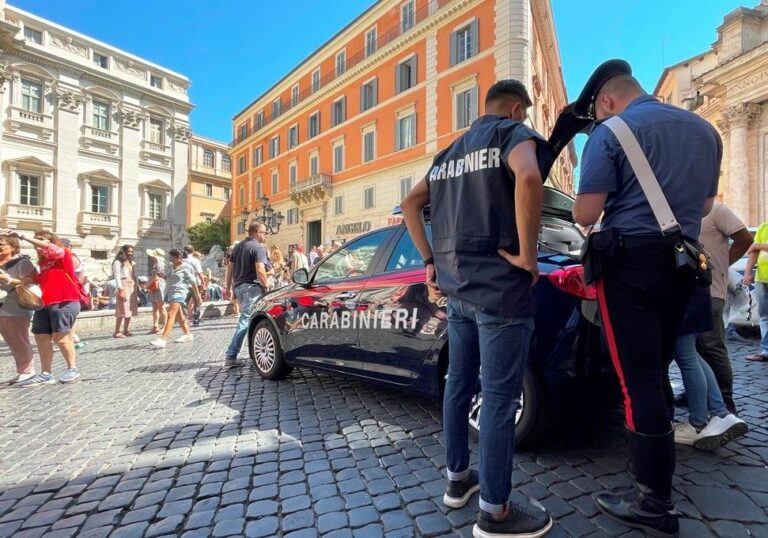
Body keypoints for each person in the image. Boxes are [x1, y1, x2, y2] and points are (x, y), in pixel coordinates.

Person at [571, 59, 722, 536]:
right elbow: (704, 207)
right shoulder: (706, 131)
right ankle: (658, 478)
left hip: (630, 265)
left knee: (639, 384)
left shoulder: (611, 132)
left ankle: (654, 503)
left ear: (606, 101)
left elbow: (585, 212)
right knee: (657, 370)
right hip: (682, 265)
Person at [402, 79, 553, 538]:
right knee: (500, 398)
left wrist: (429, 260)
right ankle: (495, 513)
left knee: (458, 385)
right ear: (515, 109)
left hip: (458, 292)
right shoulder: (511, 134)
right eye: (525, 113)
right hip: (500, 292)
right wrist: (528, 254)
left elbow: (410, 203)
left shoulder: (449, 153)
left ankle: (457, 481)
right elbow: (529, 177)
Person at [686, 203, 751, 412]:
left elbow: (745, 239)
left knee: (711, 346)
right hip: (687, 291)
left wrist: (722, 264)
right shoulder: (680, 207)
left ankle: (724, 402)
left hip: (711, 290)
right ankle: (697, 393)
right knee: (691, 350)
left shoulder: (716, 210)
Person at [672, 288, 747, 448]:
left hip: (682, 296)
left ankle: (698, 424)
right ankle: (720, 413)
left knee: (687, 357)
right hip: (698, 294)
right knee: (691, 355)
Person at [11, 231, 83, 386]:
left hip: (64, 301)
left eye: (41, 239)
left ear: (52, 242)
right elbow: (34, 281)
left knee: (61, 338)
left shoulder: (63, 253)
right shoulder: (42, 264)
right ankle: (46, 373)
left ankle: (72, 368)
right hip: (44, 304)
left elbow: (51, 248)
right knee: (41, 337)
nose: (37, 242)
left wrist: (24, 237)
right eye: (36, 239)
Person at [223, 221, 269, 368]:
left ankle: (255, 351)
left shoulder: (237, 247)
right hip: (251, 288)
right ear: (257, 232)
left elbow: (230, 269)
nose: (266, 235)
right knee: (246, 320)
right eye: (264, 233)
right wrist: (266, 287)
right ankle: (231, 355)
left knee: (250, 320)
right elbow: (260, 270)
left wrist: (228, 288)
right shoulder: (258, 247)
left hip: (239, 287)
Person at [0, 233, 38, 384]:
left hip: (16, 306)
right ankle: (22, 370)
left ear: (13, 247)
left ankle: (28, 371)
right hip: (2, 306)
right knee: (11, 340)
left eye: (2, 244)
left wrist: (8, 279)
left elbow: (30, 281)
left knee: (19, 339)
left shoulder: (22, 263)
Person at [150, 249, 196, 348]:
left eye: (173, 258)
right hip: (170, 292)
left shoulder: (187, 267)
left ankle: (163, 339)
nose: (171, 260)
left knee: (171, 314)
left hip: (180, 292)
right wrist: (163, 276)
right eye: (170, 258)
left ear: (179, 257)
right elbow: (168, 277)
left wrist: (197, 295)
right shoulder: (171, 266)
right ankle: (188, 334)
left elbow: (193, 281)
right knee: (179, 316)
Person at [744, 220, 768, 361]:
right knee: (764, 317)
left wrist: (757, 245)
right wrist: (747, 272)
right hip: (762, 279)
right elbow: (754, 252)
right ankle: (766, 351)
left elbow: (755, 247)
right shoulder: (763, 227)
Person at [111, 245, 138, 338]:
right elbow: (117, 276)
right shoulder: (118, 262)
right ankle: (116, 331)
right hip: (124, 286)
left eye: (132, 251)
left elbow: (134, 275)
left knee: (129, 309)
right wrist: (120, 288)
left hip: (132, 287)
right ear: (124, 252)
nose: (130, 253)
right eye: (128, 251)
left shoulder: (131, 262)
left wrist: (137, 286)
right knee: (121, 309)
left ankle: (125, 330)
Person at [146, 248, 168, 334]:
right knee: (156, 307)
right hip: (158, 285)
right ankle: (156, 326)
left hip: (158, 285)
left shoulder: (158, 264)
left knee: (160, 307)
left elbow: (155, 277)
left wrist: (147, 285)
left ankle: (164, 326)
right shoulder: (161, 263)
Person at [183, 244, 205, 325]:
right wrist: (203, 283)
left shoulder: (182, 260)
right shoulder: (195, 260)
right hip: (194, 283)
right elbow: (200, 273)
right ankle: (195, 319)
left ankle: (186, 318)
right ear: (193, 251)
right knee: (197, 301)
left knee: (186, 301)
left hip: (184, 283)